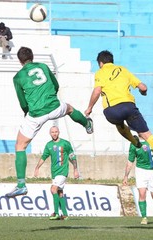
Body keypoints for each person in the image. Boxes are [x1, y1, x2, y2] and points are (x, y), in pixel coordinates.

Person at [5, 46, 93, 198]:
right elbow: (56, 85)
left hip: (36, 114)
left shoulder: (18, 77)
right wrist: (51, 98)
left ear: (20, 61)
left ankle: (21, 184)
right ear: (32, 56)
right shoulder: (44, 66)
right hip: (54, 106)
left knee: (20, 146)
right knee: (71, 109)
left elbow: (22, 101)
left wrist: (28, 113)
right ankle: (87, 124)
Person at [85, 50, 153, 151]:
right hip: (129, 106)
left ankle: (134, 141)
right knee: (147, 135)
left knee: (119, 123)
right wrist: (143, 92)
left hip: (112, 110)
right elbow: (143, 87)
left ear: (100, 63)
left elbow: (97, 90)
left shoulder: (100, 72)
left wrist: (89, 108)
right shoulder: (124, 70)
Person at [34, 126, 79, 220]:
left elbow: (72, 157)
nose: (54, 134)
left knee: (53, 189)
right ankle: (65, 215)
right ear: (50, 133)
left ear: (59, 132)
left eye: (56, 132)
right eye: (52, 132)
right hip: (54, 173)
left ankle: (56, 213)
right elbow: (43, 157)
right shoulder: (48, 145)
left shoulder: (65, 143)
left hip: (63, 172)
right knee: (59, 193)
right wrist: (37, 168)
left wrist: (75, 169)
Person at [123, 135, 153, 225]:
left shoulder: (152, 140)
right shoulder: (134, 143)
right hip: (141, 171)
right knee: (142, 193)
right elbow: (130, 161)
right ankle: (144, 217)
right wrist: (126, 176)